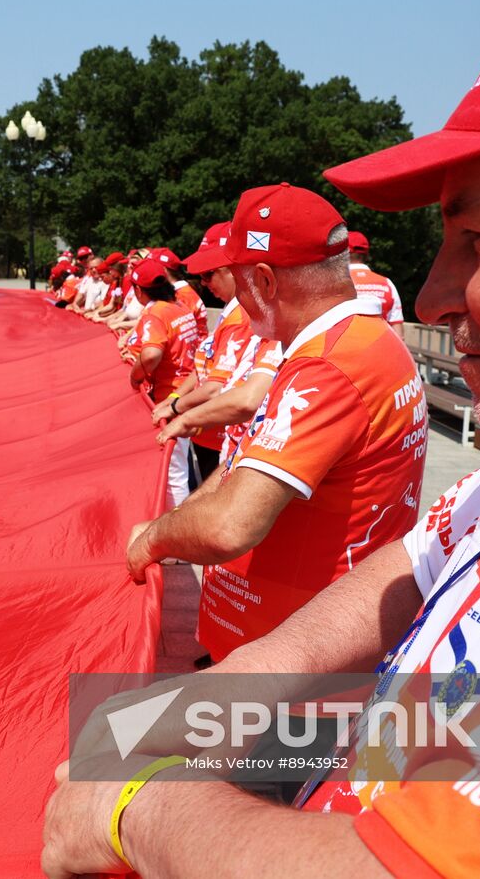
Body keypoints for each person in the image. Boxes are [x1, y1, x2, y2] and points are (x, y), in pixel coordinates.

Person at [43, 0, 480, 879]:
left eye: (479, 240)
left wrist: (137, 807)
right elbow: (410, 566)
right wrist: (175, 719)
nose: (432, 295)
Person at [141, 183, 427, 663]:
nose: (230, 295)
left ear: (267, 282)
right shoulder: (364, 342)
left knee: (116, 731)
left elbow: (232, 526)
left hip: (292, 673)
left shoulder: (328, 368)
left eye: (236, 276)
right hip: (298, 646)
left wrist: (153, 537)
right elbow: (242, 466)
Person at [151, 223, 255, 484]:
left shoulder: (241, 317)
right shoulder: (229, 310)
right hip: (207, 428)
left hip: (221, 433)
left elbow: (215, 388)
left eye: (208, 274)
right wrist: (174, 399)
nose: (204, 284)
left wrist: (177, 409)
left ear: (233, 269)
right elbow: (203, 370)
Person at [125, 256, 200, 506]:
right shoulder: (178, 306)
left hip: (170, 398)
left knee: (173, 472)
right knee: (179, 466)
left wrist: (135, 376)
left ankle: (175, 533)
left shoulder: (156, 313)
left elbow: (151, 353)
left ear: (138, 290)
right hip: (185, 392)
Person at [347, 231, 405, 337]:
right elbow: (399, 334)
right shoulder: (387, 284)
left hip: (345, 350)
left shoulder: (336, 285)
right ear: (367, 255)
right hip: (380, 349)